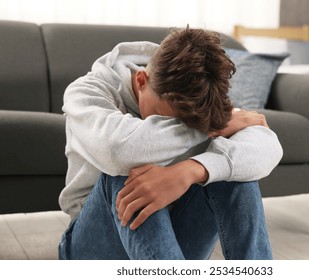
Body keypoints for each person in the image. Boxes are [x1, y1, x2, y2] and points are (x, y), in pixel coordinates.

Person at [58, 26, 283, 260]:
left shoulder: (198, 95)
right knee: (130, 170)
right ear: (141, 80)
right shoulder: (87, 91)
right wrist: (207, 129)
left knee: (234, 173)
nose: (170, 128)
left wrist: (192, 170)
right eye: (164, 120)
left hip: (171, 242)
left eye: (186, 123)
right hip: (93, 247)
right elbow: (117, 149)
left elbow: (269, 147)